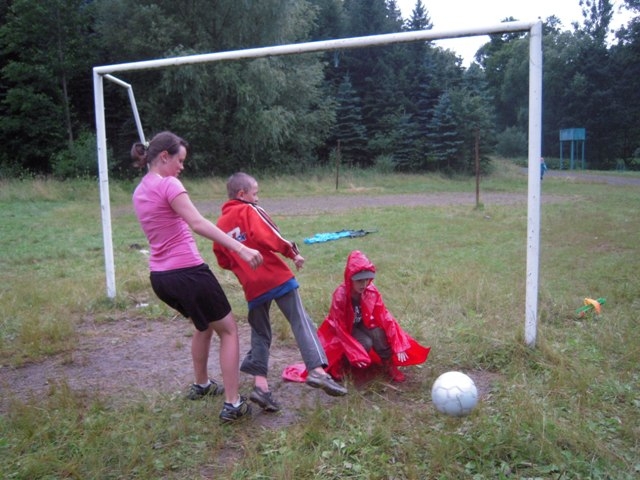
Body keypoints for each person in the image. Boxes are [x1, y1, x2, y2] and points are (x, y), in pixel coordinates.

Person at [131, 132, 263, 423]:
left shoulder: (139, 190)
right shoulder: (169, 184)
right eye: (179, 160)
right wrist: (240, 248)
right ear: (163, 156)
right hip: (188, 273)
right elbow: (198, 222)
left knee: (204, 325)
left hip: (161, 279)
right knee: (228, 330)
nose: (182, 167)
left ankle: (202, 384)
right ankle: (233, 403)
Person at [213, 172, 347, 413]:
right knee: (300, 320)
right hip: (275, 276)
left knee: (260, 332)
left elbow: (222, 259)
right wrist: (293, 252)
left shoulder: (220, 225)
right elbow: (270, 235)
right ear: (242, 194)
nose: (257, 198)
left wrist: (243, 268)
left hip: (252, 286)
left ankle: (260, 387)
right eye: (255, 193)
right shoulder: (250, 210)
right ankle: (317, 370)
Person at [316, 250, 430, 382]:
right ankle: (345, 364)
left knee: (378, 333)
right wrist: (355, 352)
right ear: (350, 278)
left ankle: (388, 364)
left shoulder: (371, 291)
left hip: (362, 323)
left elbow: (385, 317)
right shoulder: (340, 296)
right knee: (365, 343)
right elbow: (340, 329)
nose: (364, 284)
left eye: (366, 279)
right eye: (359, 280)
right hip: (345, 330)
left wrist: (398, 343)